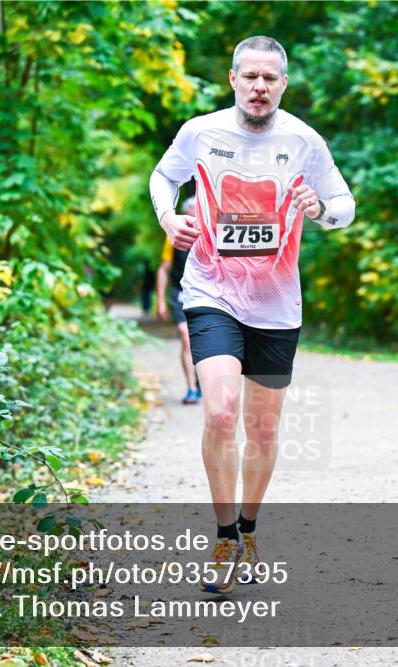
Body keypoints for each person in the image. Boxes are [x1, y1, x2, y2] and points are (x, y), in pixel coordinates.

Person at [149, 35, 355, 594]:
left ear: (283, 84)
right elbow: (163, 177)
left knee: (263, 427)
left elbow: (344, 203)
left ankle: (249, 526)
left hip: (277, 305)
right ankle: (223, 538)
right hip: (212, 291)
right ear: (234, 80)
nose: (259, 87)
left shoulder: (304, 141)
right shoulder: (200, 132)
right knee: (220, 413)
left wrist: (323, 212)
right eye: (250, 77)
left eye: (271, 78)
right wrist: (169, 217)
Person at [156, 196, 201, 404]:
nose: (194, 214)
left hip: (204, 293)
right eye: (191, 210)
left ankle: (201, 379)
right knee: (185, 335)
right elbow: (164, 269)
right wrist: (161, 301)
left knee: (202, 340)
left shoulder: (210, 234)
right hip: (179, 292)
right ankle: (191, 388)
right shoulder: (173, 237)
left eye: (197, 210)